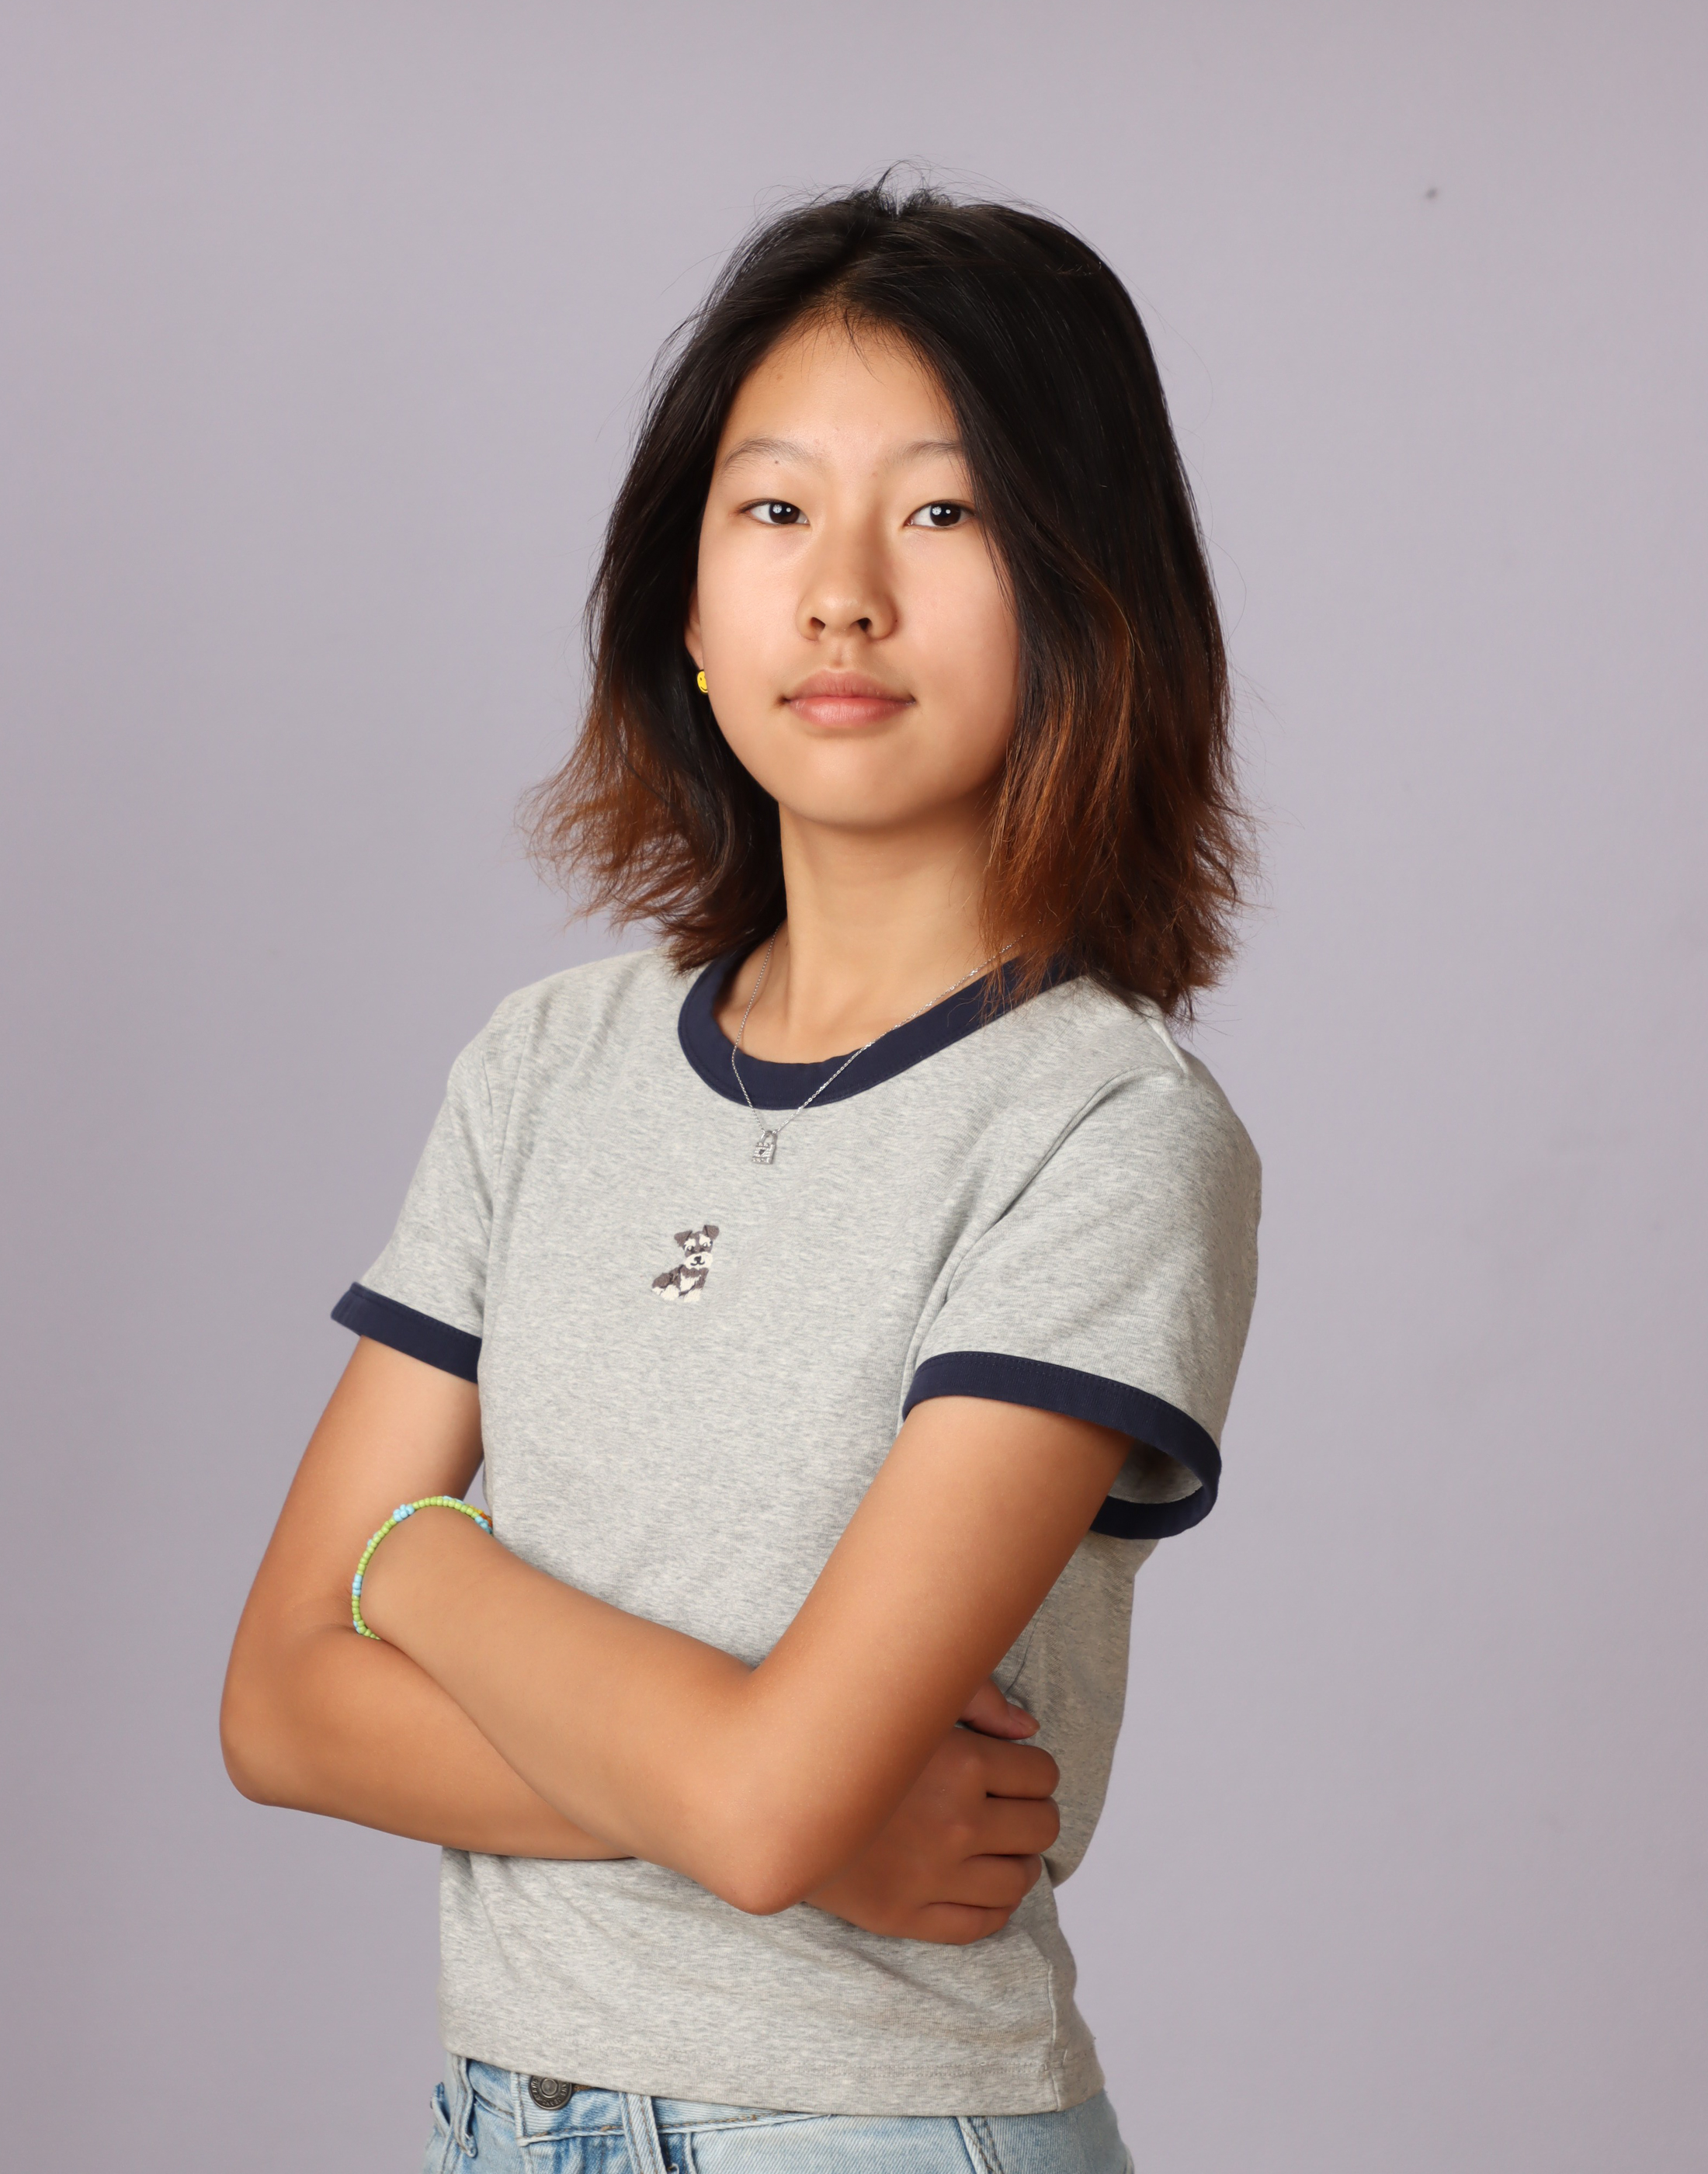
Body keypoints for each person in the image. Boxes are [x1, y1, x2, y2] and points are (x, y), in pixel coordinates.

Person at [220, 177, 1261, 2174]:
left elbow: (770, 1802)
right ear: (684, 610)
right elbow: (277, 1707)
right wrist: (746, 1793)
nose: (841, 592)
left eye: (944, 514)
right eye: (772, 507)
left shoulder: (1108, 1131)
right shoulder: (546, 1066)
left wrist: (413, 1560)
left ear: (1088, 595)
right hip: (502, 2121)